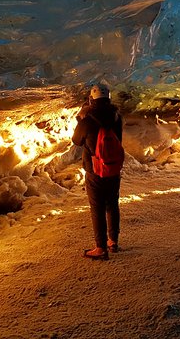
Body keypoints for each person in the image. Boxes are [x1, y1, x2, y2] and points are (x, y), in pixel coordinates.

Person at [72, 84, 124, 260]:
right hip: (113, 167)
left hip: (94, 170)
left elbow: (77, 141)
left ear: (91, 100)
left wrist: (80, 121)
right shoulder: (117, 117)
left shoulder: (87, 121)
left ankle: (100, 248)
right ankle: (113, 241)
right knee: (112, 204)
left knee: (97, 207)